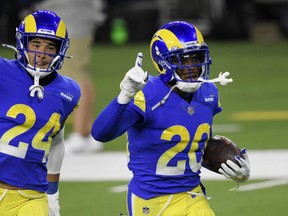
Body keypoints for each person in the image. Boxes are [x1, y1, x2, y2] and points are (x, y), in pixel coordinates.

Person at [91, 21, 250, 215]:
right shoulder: (146, 93)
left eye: (196, 58)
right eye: (182, 60)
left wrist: (233, 168)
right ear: (162, 62)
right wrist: (124, 96)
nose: (192, 66)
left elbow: (195, 148)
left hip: (192, 195)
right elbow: (100, 133)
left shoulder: (209, 92)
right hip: (150, 200)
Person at [0, 10, 81, 216]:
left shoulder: (69, 91)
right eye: (35, 45)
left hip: (32, 195)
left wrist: (53, 194)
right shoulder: (3, 71)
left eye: (50, 47)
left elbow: (55, 140)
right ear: (22, 43)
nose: (42, 53)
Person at [34, 0, 105, 153]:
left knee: (74, 73)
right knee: (80, 72)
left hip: (72, 17)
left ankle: (80, 134)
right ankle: (85, 133)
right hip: (73, 16)